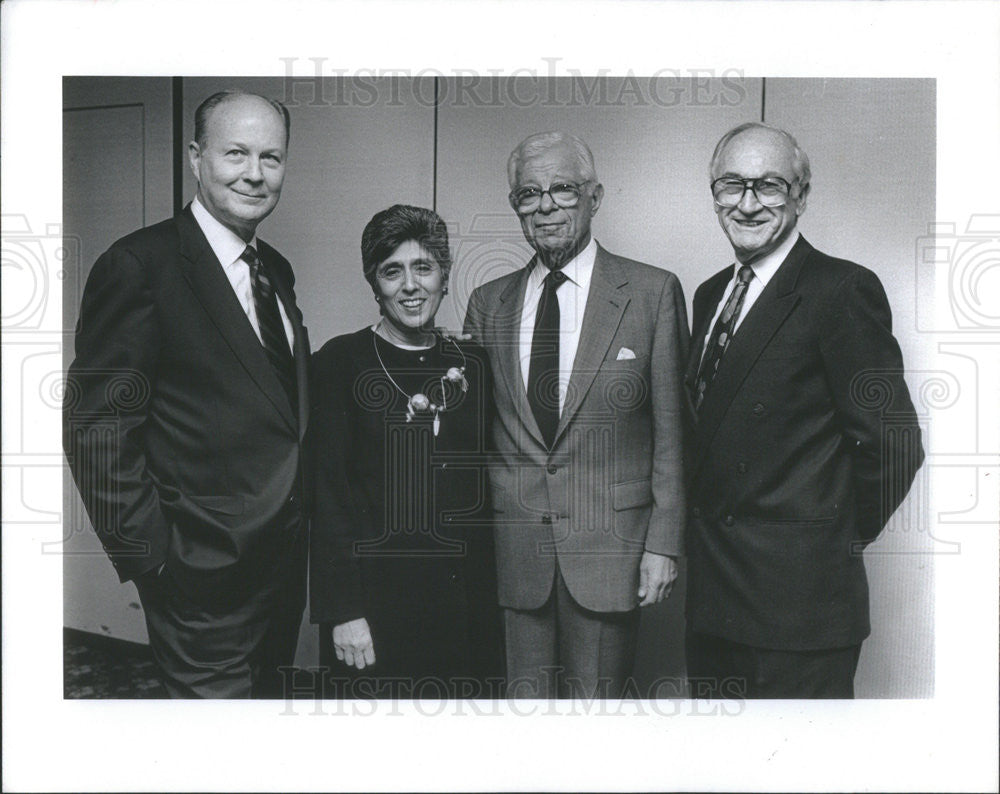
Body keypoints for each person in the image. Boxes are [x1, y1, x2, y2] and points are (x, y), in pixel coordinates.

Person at [63, 91, 309, 698]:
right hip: (196, 577)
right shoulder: (139, 265)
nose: (255, 173)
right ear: (197, 158)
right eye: (236, 153)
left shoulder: (274, 268)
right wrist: (156, 564)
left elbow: (278, 415)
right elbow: (97, 429)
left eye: (271, 158)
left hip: (279, 571)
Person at [684, 122, 924, 699]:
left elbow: (894, 444)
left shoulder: (842, 290)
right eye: (731, 185)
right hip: (715, 603)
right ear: (713, 193)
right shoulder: (710, 293)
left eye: (768, 186)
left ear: (802, 195)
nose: (747, 204)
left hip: (802, 610)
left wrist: (824, 538)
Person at [463, 131, 689, 699]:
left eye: (562, 190)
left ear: (595, 196)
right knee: (525, 725)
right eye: (528, 194)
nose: (545, 207)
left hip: (611, 552)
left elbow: (672, 434)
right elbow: (478, 437)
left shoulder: (652, 292)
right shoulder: (487, 304)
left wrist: (662, 544)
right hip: (516, 555)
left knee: (598, 727)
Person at [309, 204, 503, 698]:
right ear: (374, 284)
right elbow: (327, 498)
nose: (411, 285)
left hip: (466, 607)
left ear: (444, 275)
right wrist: (342, 612)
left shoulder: (472, 364)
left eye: (424, 267)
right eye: (392, 271)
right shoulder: (340, 362)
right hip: (375, 610)